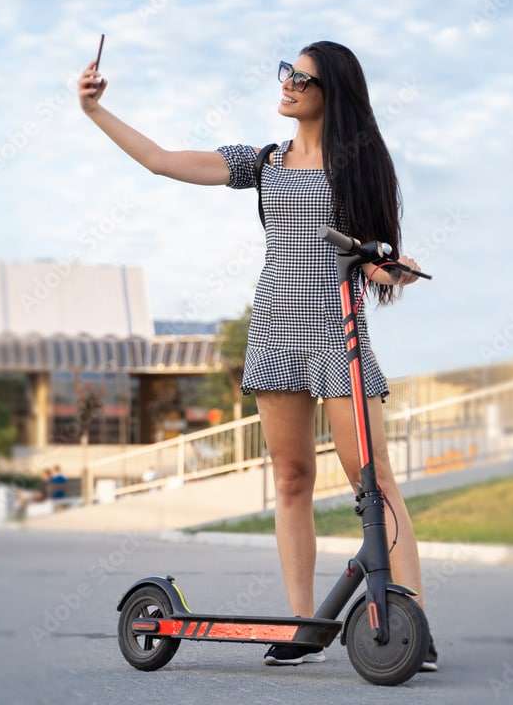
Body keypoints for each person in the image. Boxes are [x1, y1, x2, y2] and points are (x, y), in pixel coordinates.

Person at [78, 41, 436, 672]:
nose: (288, 83)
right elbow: (162, 161)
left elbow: (376, 262)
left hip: (339, 336)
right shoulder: (263, 163)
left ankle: (409, 626)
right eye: (287, 72)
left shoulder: (361, 164)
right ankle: (303, 625)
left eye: (303, 77)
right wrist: (97, 113)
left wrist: (393, 272)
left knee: (374, 482)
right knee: (292, 479)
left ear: (333, 93)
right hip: (275, 333)